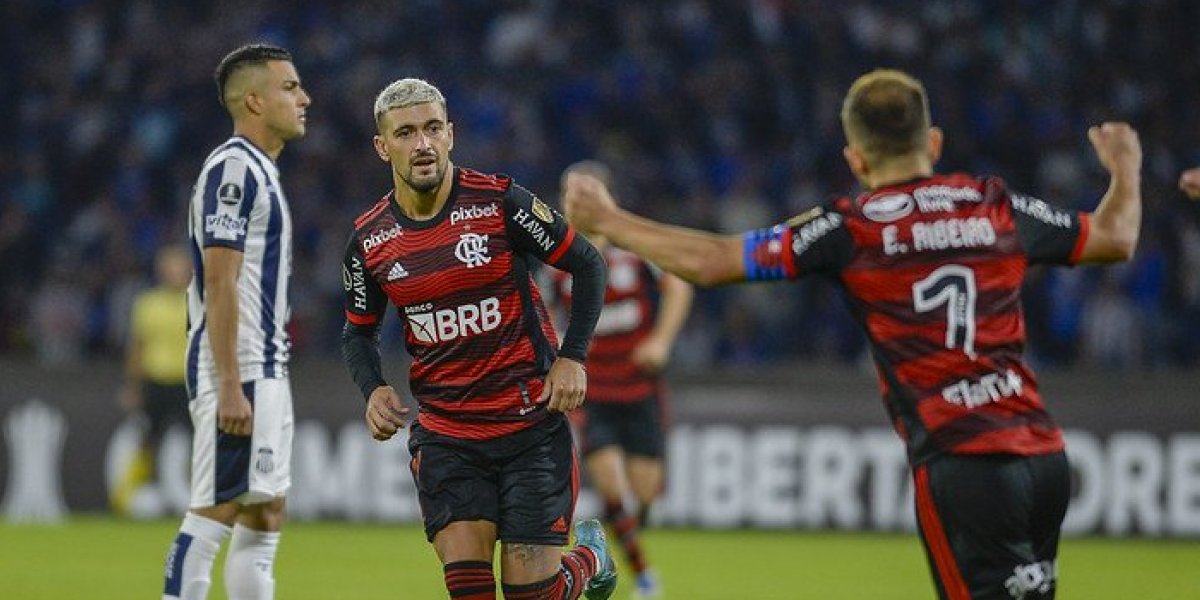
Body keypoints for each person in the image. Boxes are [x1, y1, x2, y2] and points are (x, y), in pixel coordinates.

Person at [564, 69, 1142, 600]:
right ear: (933, 143)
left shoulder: (852, 226)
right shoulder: (995, 206)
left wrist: (611, 221)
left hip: (964, 463)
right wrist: (1125, 168)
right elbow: (1114, 237)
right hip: (1043, 455)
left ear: (856, 159)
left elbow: (713, 261)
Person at [339, 77, 617, 600]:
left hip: (529, 425)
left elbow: (588, 263)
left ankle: (589, 559)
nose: (421, 143)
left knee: (529, 596)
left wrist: (572, 356)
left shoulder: (499, 203)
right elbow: (357, 334)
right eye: (405, 133)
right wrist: (373, 388)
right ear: (382, 146)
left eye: (432, 128)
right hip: (448, 436)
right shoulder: (369, 242)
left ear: (451, 135)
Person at [161, 43, 310, 600]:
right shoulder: (233, 170)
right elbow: (220, 280)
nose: (304, 98)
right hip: (241, 368)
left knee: (265, 512)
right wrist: (229, 384)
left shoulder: (261, 172)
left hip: (262, 367)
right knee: (214, 510)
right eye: (290, 87)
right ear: (253, 99)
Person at [546, 161, 693, 600]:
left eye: (586, 191)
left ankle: (623, 535)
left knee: (645, 492)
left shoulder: (634, 249)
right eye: (570, 193)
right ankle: (644, 576)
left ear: (606, 197)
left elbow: (680, 285)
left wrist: (662, 341)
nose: (577, 201)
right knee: (609, 483)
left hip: (640, 387)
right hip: (591, 392)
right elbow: (545, 317)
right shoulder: (554, 261)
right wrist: (558, 348)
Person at [111, 243, 193, 516]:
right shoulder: (148, 303)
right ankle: (128, 496)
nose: (175, 272)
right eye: (170, 267)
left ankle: (202, 498)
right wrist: (132, 386)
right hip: (155, 380)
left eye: (179, 267)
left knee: (201, 443)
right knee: (146, 440)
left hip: (188, 382)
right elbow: (138, 346)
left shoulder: (198, 301)